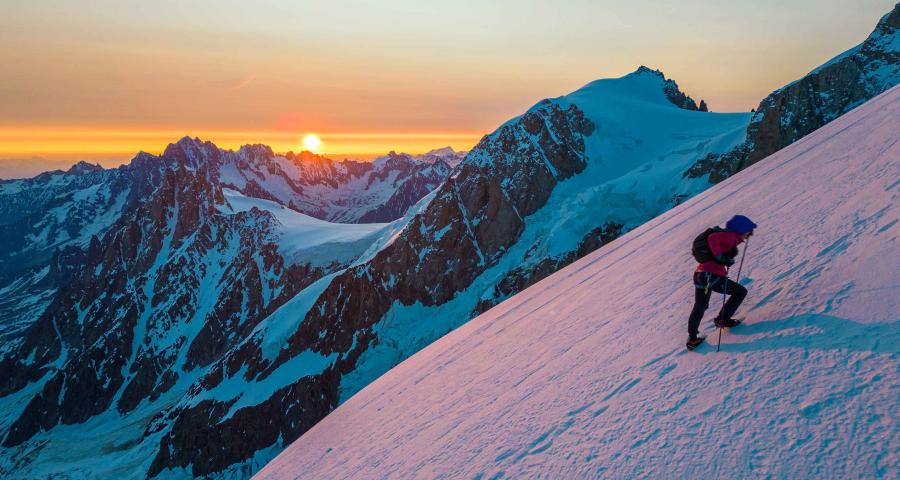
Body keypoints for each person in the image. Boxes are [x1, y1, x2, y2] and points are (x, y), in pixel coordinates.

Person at [686, 215, 756, 350]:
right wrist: (720, 257)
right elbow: (713, 239)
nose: (749, 234)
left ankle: (692, 339)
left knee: (700, 306)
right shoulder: (729, 236)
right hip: (712, 275)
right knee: (740, 292)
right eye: (748, 231)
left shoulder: (729, 238)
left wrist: (724, 259)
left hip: (701, 274)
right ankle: (722, 319)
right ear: (741, 229)